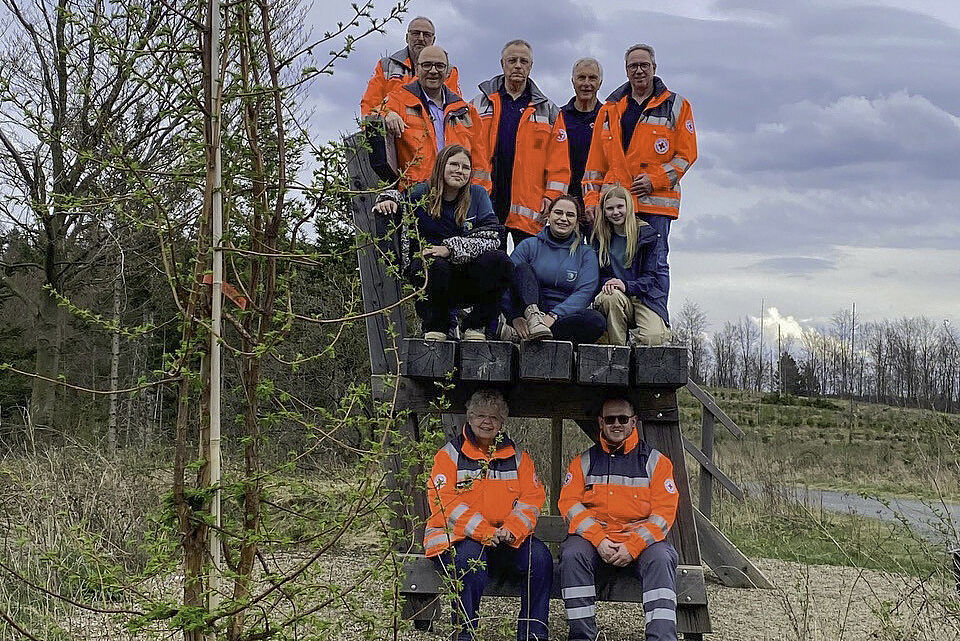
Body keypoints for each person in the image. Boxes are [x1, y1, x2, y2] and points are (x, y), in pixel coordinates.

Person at [425, 388, 552, 641]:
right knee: (470, 562)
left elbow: (533, 499)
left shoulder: (518, 457)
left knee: (540, 559)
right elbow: (444, 503)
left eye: (493, 417)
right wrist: (484, 532)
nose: (487, 422)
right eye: (480, 416)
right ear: (469, 419)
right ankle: (464, 634)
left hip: (505, 540)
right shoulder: (448, 456)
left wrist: (512, 530)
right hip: (460, 540)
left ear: (502, 422)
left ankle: (533, 634)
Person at [582, 43, 697, 303]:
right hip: (616, 204)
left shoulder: (676, 105)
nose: (639, 70)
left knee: (655, 263)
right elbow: (594, 165)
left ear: (654, 68)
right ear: (626, 70)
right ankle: (614, 324)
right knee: (610, 261)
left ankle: (656, 320)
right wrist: (591, 201)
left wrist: (654, 180)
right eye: (633, 66)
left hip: (656, 204)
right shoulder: (610, 109)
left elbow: (686, 155)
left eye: (644, 65)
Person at [558, 396, 680, 641]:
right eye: (610, 419)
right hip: (595, 541)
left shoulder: (656, 462)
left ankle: (662, 637)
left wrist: (633, 546)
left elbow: (665, 513)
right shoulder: (583, 462)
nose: (617, 424)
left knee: (662, 558)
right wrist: (599, 539)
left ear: (633, 422)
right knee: (572, 554)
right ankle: (581, 636)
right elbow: (568, 504)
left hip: (640, 542)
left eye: (623, 419)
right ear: (600, 423)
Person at [372, 145, 511, 341]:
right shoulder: (421, 193)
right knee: (433, 263)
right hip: (434, 278)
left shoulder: (478, 195)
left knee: (500, 260)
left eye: (465, 167)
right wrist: (388, 200)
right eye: (453, 164)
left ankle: (476, 326)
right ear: (441, 166)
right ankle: (437, 326)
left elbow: (491, 236)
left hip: (469, 276)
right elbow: (400, 199)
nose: (459, 171)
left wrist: (450, 249)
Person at [472, 39, 571, 245]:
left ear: (531, 66)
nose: (518, 65)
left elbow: (559, 164)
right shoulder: (478, 104)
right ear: (502, 64)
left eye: (523, 61)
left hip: (529, 207)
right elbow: (464, 150)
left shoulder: (549, 111)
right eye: (512, 60)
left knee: (525, 269)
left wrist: (552, 197)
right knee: (486, 267)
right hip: (484, 201)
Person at [502, 195, 605, 343]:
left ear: (576, 221)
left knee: (596, 321)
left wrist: (553, 315)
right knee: (523, 269)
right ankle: (534, 325)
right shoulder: (529, 245)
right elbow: (506, 282)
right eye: (558, 212)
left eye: (570, 215)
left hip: (562, 318)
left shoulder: (586, 253)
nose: (563, 218)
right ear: (548, 216)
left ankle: (528, 336)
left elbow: (586, 292)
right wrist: (514, 317)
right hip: (529, 312)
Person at [380, 46, 486, 188]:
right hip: (416, 197)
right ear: (417, 69)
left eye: (440, 66)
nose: (433, 71)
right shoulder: (398, 100)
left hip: (456, 198)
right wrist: (387, 114)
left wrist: (472, 201)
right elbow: (373, 116)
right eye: (427, 65)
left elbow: (481, 165)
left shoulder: (466, 112)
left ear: (447, 72)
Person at [592, 185, 669, 345]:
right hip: (616, 296)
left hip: (644, 296)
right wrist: (609, 283)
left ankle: (638, 355)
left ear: (629, 206)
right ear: (604, 212)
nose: (615, 212)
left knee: (653, 339)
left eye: (620, 206)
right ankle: (617, 350)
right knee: (609, 297)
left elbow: (651, 278)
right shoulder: (600, 237)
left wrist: (626, 285)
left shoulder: (647, 235)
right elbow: (598, 274)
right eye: (610, 208)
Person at [360, 16, 461, 114]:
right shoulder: (387, 66)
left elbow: (455, 109)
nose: (421, 38)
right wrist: (386, 115)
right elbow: (370, 105)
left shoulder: (448, 71)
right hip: (392, 128)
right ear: (407, 37)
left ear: (433, 40)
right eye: (416, 33)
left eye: (426, 34)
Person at [561, 58, 603, 219]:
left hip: (598, 199)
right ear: (573, 81)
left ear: (600, 83)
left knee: (598, 245)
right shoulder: (559, 117)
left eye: (592, 78)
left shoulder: (609, 117)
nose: (586, 83)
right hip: (566, 199)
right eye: (581, 78)